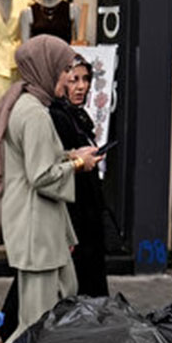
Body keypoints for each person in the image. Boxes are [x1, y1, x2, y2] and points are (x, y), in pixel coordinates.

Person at [0, 34, 99, 343]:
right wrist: (77, 165)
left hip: (40, 229)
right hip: (37, 230)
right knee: (35, 323)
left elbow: (33, 160)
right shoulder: (33, 113)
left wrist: (70, 155)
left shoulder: (23, 104)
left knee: (63, 297)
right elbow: (42, 175)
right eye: (62, 70)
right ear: (45, 69)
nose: (67, 79)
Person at [50, 54, 108, 297]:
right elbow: (52, 166)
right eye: (74, 80)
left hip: (87, 211)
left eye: (85, 79)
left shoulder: (78, 115)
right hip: (72, 213)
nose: (82, 86)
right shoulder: (56, 116)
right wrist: (78, 160)